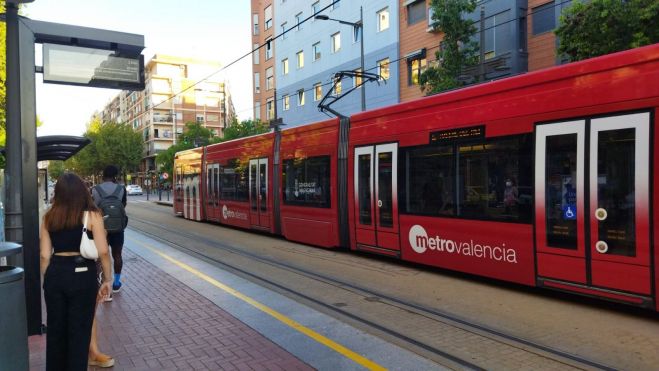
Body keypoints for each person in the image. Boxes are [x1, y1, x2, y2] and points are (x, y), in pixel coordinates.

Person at [40, 173, 113, 370]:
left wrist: (49, 277)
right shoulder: (92, 215)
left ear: (59, 193)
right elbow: (104, 251)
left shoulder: (49, 216)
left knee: (56, 331)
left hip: (56, 274)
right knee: (80, 332)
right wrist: (108, 279)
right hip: (83, 276)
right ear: (82, 191)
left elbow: (45, 255)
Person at [92, 165, 128, 299]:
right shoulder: (121, 189)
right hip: (118, 228)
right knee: (117, 254)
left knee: (101, 255)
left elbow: (93, 208)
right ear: (115, 176)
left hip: (101, 228)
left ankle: (101, 282)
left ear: (103, 175)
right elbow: (123, 206)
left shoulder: (95, 189)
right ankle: (117, 283)